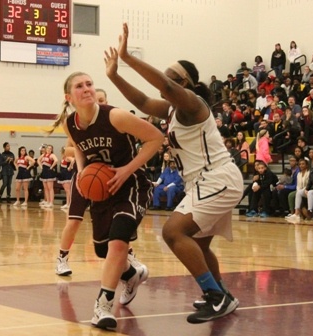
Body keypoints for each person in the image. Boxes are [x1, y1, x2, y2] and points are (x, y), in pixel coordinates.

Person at [105, 23, 244, 324]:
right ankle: (222, 295)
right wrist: (114, 76)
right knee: (201, 245)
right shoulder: (170, 110)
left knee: (172, 232)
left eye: (171, 75)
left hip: (218, 177)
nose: (164, 79)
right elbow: (142, 102)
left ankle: (215, 297)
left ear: (186, 83)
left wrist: (129, 59)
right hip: (204, 182)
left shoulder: (192, 105)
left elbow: (166, 88)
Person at [49, 70, 164, 330]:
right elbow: (78, 146)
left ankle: (102, 306)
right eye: (80, 86)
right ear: (69, 97)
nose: (87, 88)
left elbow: (156, 138)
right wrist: (81, 171)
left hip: (130, 185)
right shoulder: (70, 123)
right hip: (102, 192)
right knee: (103, 250)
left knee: (118, 243)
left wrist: (127, 169)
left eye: (90, 83)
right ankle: (131, 275)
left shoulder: (115, 116)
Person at [287, 154, 313, 221]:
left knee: (310, 192)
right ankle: (296, 213)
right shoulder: (312, 171)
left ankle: (310, 212)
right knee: (299, 193)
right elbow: (309, 182)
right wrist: (306, 189)